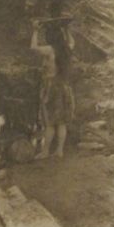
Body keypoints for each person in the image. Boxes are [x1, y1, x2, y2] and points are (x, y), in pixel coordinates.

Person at [31, 18, 75, 159]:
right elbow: (72, 42)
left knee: (49, 123)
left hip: (51, 88)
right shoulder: (67, 48)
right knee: (61, 122)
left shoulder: (50, 50)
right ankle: (59, 151)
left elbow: (33, 48)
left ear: (50, 37)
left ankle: (45, 151)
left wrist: (35, 30)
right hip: (64, 87)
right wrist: (67, 30)